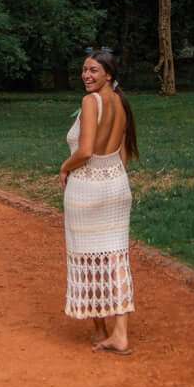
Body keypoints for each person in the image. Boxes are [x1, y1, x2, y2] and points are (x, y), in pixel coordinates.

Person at [60, 46, 138, 355]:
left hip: (87, 189)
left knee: (89, 260)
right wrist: (113, 177)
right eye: (84, 69)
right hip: (116, 186)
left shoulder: (91, 102)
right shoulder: (121, 102)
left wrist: (64, 168)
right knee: (116, 258)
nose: (86, 75)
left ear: (108, 74)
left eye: (93, 70)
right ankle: (120, 334)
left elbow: (85, 151)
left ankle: (100, 330)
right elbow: (124, 151)